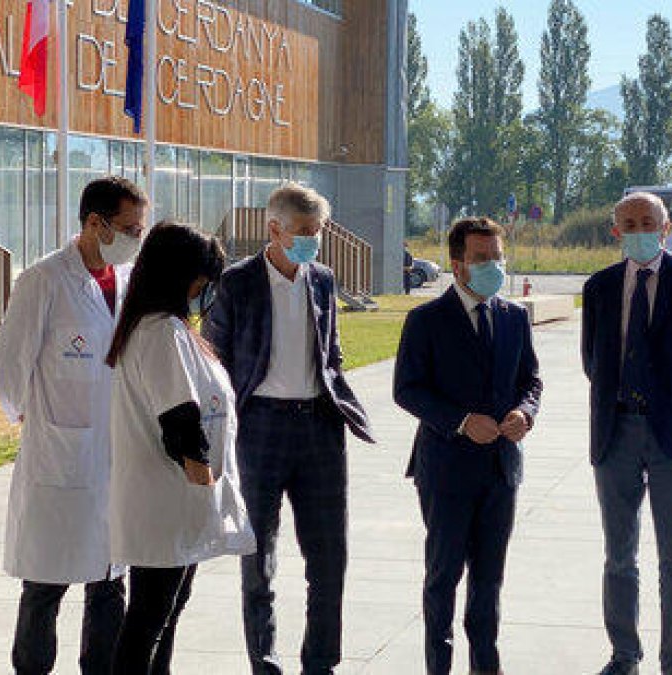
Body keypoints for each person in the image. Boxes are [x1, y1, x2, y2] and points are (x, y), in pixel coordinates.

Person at [203, 182, 374, 675]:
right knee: (258, 556)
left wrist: (339, 393)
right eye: (303, 231)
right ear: (273, 228)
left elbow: (331, 352)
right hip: (259, 429)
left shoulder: (321, 278)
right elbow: (214, 359)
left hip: (319, 428)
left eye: (317, 232)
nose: (311, 240)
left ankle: (320, 661)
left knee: (329, 556)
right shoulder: (237, 283)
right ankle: (265, 659)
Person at [0, 176, 146, 675]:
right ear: (94, 223)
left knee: (109, 582)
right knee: (44, 583)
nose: (135, 239)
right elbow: (7, 364)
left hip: (114, 453)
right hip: (60, 453)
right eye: (128, 228)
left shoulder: (126, 280)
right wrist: (29, 417)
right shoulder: (44, 280)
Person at [580, 192, 672, 675]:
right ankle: (624, 655)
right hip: (615, 431)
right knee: (619, 555)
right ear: (615, 230)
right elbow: (591, 361)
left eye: (648, 222)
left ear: (665, 229)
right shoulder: (599, 287)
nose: (638, 230)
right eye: (629, 223)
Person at [393, 216, 542, 675]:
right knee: (443, 578)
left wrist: (525, 413)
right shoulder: (426, 320)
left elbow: (531, 380)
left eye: (497, 257)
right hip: (446, 471)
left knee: (489, 581)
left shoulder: (514, 317)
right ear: (457, 265)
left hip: (501, 469)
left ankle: (486, 667)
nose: (492, 266)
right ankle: (438, 665)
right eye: (481, 259)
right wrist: (459, 422)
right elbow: (407, 390)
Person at [106, 221, 256, 673]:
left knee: (162, 618)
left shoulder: (170, 330)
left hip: (176, 505)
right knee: (148, 621)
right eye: (204, 279)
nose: (206, 289)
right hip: (165, 504)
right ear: (181, 276)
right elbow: (180, 420)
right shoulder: (160, 333)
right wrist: (204, 481)